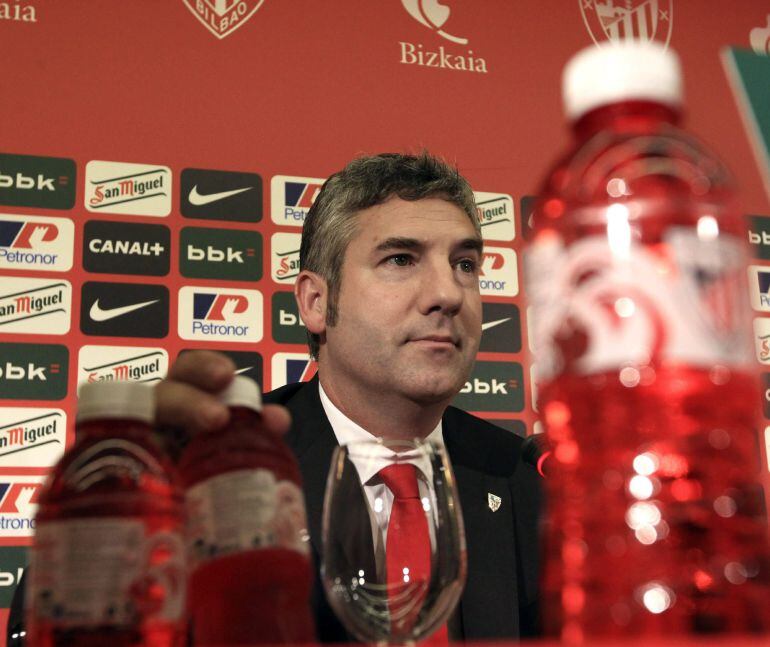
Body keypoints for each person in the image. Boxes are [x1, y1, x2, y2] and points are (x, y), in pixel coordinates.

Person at [7, 152, 541, 644]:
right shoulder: (218, 467)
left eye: (465, 264)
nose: (448, 293)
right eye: (401, 259)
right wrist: (130, 505)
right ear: (315, 301)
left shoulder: (529, 479)